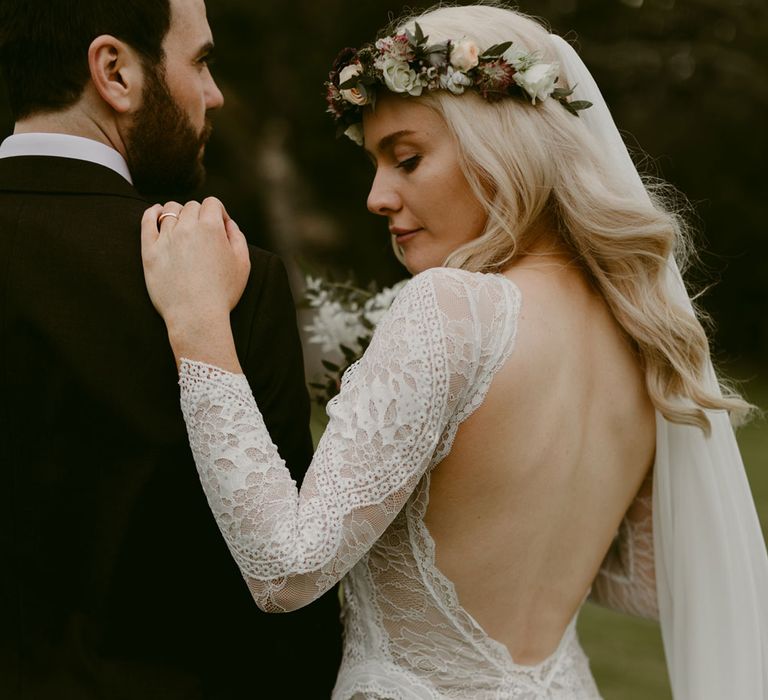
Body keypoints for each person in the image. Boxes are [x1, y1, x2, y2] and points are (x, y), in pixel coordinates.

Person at [140, 5, 768, 699]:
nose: (378, 197)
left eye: (407, 158)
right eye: (375, 164)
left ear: (504, 143)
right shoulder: (640, 330)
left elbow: (285, 571)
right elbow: (648, 582)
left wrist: (198, 325)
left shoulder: (454, 310)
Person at [0, 1, 340, 698]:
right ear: (115, 71)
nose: (214, 94)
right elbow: (280, 598)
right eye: (202, 61)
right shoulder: (232, 272)